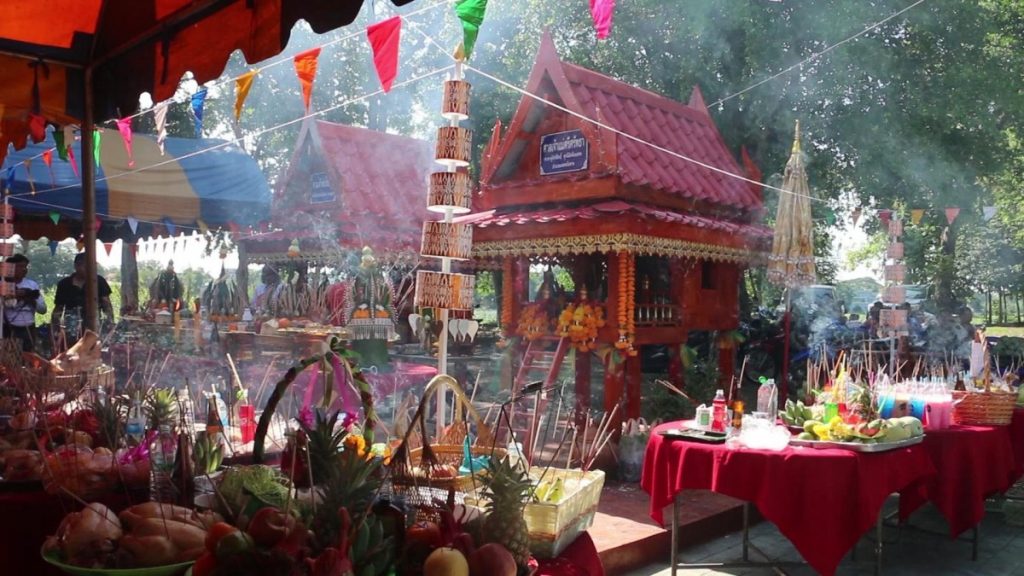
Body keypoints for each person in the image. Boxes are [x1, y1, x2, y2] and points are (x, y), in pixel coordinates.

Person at [51, 252, 115, 347]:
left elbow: (106, 304)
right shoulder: (64, 284)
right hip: (71, 328)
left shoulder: (99, 281)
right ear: (76, 266)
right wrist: (55, 328)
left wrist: (110, 323)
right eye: (85, 266)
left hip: (94, 326)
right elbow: (58, 308)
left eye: (91, 266)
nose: (88, 269)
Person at [2, 254, 46, 351]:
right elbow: (7, 304)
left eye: (25, 266)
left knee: (28, 356)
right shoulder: (3, 284)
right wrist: (14, 296)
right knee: (9, 356)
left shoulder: (32, 285)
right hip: (8, 328)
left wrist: (30, 299)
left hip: (28, 328)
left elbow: (43, 310)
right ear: (11, 268)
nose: (24, 269)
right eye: (20, 266)